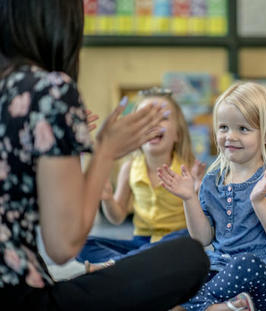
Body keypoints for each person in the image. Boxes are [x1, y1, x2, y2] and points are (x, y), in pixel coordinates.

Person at [0, 1, 209, 310]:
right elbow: (62, 245)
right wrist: (105, 151)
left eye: (163, 118)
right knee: (189, 258)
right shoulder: (51, 90)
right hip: (18, 294)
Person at [157, 82, 266, 311]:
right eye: (223, 127)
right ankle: (223, 307)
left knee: (246, 264)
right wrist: (189, 199)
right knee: (182, 263)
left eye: (243, 129)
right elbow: (203, 238)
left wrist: (259, 201)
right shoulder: (212, 180)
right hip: (220, 269)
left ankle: (198, 305)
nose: (230, 136)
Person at [76, 87, 206, 272]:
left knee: (188, 242)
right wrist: (107, 199)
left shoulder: (189, 169)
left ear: (178, 133)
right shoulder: (129, 168)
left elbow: (203, 225)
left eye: (163, 117)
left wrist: (196, 193)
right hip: (140, 242)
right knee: (80, 244)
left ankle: (120, 266)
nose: (153, 123)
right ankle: (134, 265)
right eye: (145, 118)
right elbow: (117, 216)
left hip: (175, 240)